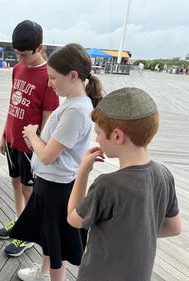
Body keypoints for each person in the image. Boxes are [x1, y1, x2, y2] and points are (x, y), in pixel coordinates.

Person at [10, 43, 103, 281]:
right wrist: (36, 141)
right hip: (52, 182)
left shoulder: (76, 111)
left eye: (53, 78)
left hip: (56, 188)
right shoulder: (73, 105)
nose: (50, 83)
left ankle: (52, 277)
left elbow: (49, 155)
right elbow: (53, 150)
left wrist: (31, 134)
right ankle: (43, 272)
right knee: (49, 238)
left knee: (56, 246)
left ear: (72, 76)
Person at [67, 87, 182, 281]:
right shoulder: (164, 175)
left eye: (98, 133)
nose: (96, 139)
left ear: (117, 136)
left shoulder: (108, 185)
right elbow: (174, 227)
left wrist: (83, 172)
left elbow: (73, 219)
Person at [0, 20, 59, 257]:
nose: (20, 59)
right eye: (17, 54)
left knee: (28, 190)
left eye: (25, 54)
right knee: (15, 183)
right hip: (13, 141)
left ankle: (30, 233)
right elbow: (13, 106)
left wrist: (39, 149)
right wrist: (4, 134)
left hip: (30, 146)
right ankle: (20, 221)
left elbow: (47, 120)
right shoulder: (17, 70)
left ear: (40, 48)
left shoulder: (48, 77)